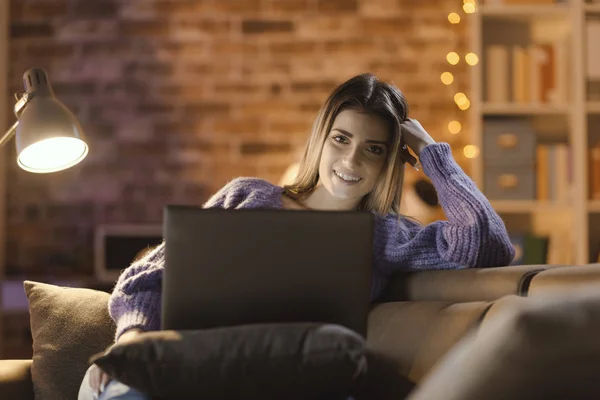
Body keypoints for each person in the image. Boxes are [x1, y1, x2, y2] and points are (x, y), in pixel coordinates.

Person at [79, 73, 515, 400]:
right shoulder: (247, 196)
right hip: (197, 364)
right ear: (320, 140)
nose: (351, 159)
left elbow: (488, 243)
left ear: (390, 162)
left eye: (374, 148)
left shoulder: (384, 236)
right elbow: (146, 277)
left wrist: (431, 153)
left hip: (294, 378)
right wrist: (132, 340)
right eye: (341, 139)